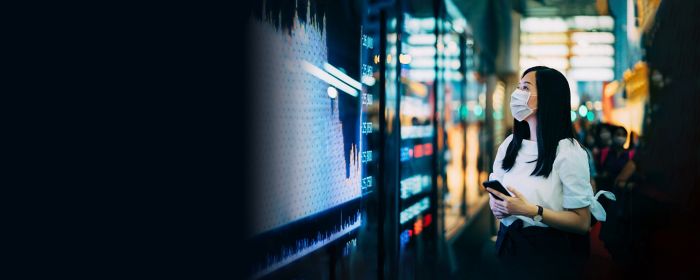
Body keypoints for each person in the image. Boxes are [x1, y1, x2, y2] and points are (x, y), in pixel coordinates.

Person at [486, 66, 615, 279]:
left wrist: (531, 210)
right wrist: (498, 206)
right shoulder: (510, 145)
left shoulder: (568, 151)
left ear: (547, 98)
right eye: (518, 87)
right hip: (509, 246)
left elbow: (582, 223)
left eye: (525, 88)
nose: (517, 94)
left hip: (548, 256)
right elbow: (497, 190)